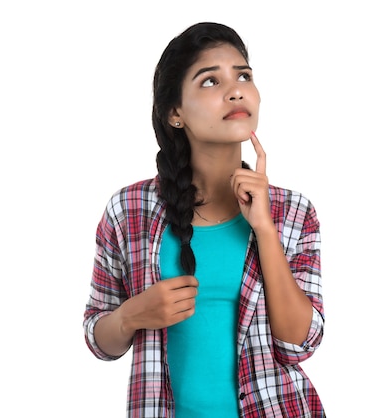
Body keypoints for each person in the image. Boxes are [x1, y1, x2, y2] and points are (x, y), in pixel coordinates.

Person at [83, 22, 325, 418]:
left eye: (243, 75)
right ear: (175, 113)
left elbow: (300, 343)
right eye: (210, 81)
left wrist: (264, 229)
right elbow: (98, 338)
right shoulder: (129, 209)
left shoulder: (294, 211)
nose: (235, 89)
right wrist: (131, 315)